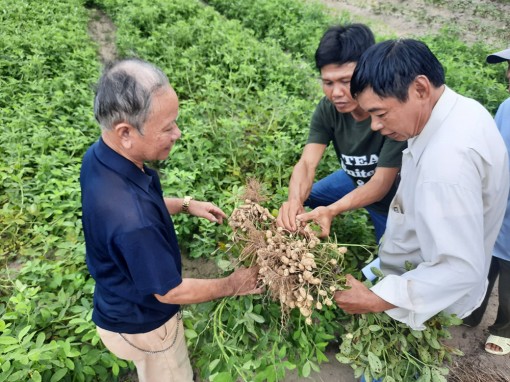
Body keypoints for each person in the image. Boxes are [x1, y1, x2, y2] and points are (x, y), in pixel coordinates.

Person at [80, 58, 261, 381]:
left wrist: (185, 204)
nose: (177, 133)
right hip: (146, 325)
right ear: (125, 132)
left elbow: (140, 204)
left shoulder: (98, 158)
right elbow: (170, 292)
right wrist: (235, 283)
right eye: (167, 127)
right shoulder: (134, 222)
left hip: (116, 299)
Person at [332, 39, 509, 333]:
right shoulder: (460, 110)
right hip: (413, 269)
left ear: (421, 89)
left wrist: (378, 299)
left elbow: (460, 268)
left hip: (426, 300)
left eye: (380, 113)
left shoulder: (448, 164)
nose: (375, 125)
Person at [276, 24, 407, 242]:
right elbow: (307, 163)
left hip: (390, 202)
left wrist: (333, 209)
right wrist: (293, 201)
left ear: (367, 72)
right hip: (354, 177)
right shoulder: (328, 109)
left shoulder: (388, 113)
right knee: (309, 197)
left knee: (391, 263)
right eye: (328, 82)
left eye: (346, 81)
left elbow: (380, 183)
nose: (336, 93)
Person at [462, 47, 510, 355]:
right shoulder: (506, 106)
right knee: (483, 258)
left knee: (508, 268)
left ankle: (504, 327)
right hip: (497, 199)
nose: (508, 73)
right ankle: (472, 310)